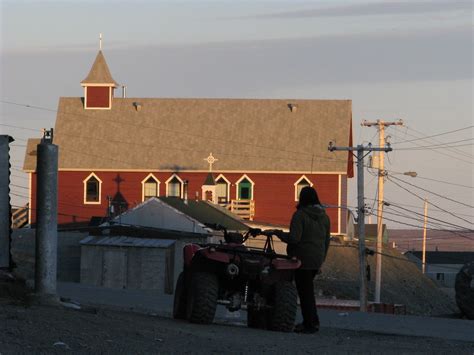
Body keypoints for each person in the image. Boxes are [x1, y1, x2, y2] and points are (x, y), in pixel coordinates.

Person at [276, 186, 331, 334]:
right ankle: (313, 321)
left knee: (305, 292)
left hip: (301, 259)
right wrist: (321, 260)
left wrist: (280, 235)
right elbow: (327, 241)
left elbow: (295, 238)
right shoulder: (325, 217)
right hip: (317, 259)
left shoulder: (300, 215)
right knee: (308, 291)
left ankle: (310, 324)